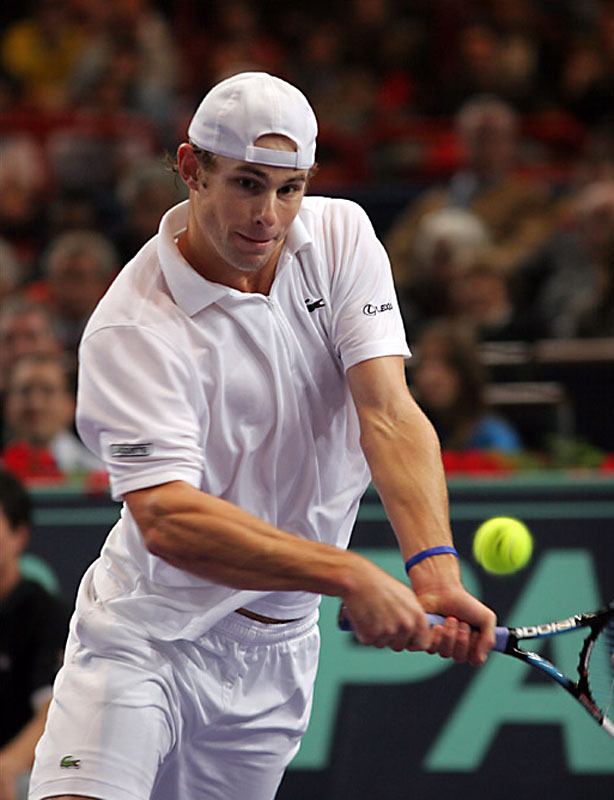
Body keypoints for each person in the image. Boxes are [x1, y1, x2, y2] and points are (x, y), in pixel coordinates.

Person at [28, 71, 496, 800]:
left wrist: (433, 568)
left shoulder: (342, 238)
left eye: (289, 188)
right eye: (247, 184)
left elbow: (389, 413)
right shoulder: (131, 329)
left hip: (278, 658)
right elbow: (168, 518)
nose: (268, 217)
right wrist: (348, 573)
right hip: (146, 638)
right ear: (191, 168)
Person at [0, 469, 70, 800]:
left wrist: (7, 764)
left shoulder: (46, 613)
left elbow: (52, 710)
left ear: (19, 535)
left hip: (26, 772)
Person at [409, 319, 523, 453]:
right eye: (424, 364)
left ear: (466, 372)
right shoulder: (409, 432)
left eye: (445, 364)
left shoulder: (493, 436)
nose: (429, 377)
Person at [2, 353, 104, 478]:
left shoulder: (99, 475)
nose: (36, 404)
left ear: (72, 404)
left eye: (48, 391)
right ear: (7, 403)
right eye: (25, 391)